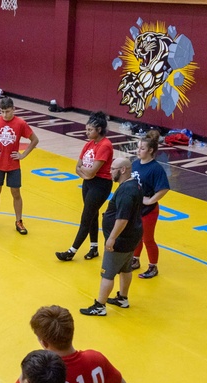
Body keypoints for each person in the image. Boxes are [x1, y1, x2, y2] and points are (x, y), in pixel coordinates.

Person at [80, 157, 143, 316]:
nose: (110, 171)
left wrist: (112, 237)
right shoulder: (134, 185)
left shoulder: (126, 191)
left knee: (107, 273)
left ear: (123, 170)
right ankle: (123, 298)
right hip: (132, 237)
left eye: (113, 169)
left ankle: (100, 306)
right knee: (125, 268)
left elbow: (122, 218)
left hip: (121, 240)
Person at [56, 111, 113, 262]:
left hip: (101, 184)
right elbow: (77, 167)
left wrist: (87, 173)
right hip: (88, 183)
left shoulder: (105, 145)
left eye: (90, 130)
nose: (86, 133)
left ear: (99, 130)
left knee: (86, 217)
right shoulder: (89, 144)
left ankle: (71, 251)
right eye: (86, 129)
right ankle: (94, 248)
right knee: (93, 215)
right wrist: (86, 174)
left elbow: (93, 171)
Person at [0, 97, 39, 235]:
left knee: (16, 193)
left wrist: (23, 155)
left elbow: (34, 140)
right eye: (2, 112)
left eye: (7, 111)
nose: (5, 115)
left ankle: (19, 221)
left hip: (13, 164)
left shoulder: (20, 123)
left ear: (13, 109)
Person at [130, 130, 170, 279]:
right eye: (138, 147)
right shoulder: (135, 164)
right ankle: (135, 259)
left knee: (148, 239)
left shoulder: (156, 168)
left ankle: (153, 266)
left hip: (149, 211)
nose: (138, 150)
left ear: (151, 150)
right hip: (136, 208)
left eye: (142, 148)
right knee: (136, 236)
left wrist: (150, 200)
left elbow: (164, 188)